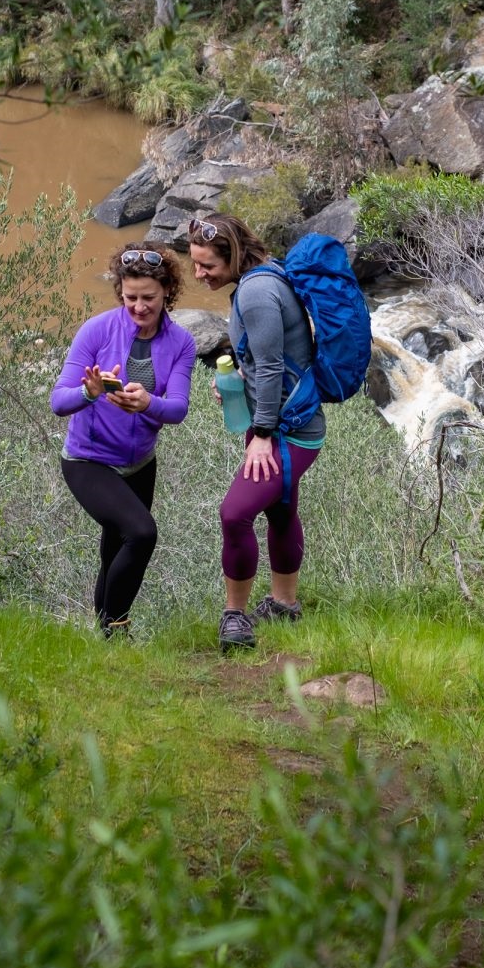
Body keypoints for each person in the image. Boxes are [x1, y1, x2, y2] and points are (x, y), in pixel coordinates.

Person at [188, 212, 324, 651]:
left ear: (233, 255)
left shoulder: (257, 293)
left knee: (235, 513)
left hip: (286, 431)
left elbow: (269, 365)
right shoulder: (264, 278)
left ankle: (236, 619)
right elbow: (268, 362)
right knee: (281, 511)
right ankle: (284, 605)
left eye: (207, 265)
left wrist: (262, 432)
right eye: (194, 263)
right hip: (286, 421)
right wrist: (237, 383)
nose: (198, 273)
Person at [50, 244, 195, 637]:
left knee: (115, 549)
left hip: (140, 463)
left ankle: (105, 638)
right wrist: (89, 393)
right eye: (130, 298)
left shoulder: (181, 343)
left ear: (167, 291)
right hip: (88, 461)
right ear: (120, 293)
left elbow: (178, 409)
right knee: (142, 533)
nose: (139, 306)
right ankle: (118, 626)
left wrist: (148, 403)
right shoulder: (96, 330)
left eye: (148, 297)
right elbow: (58, 402)